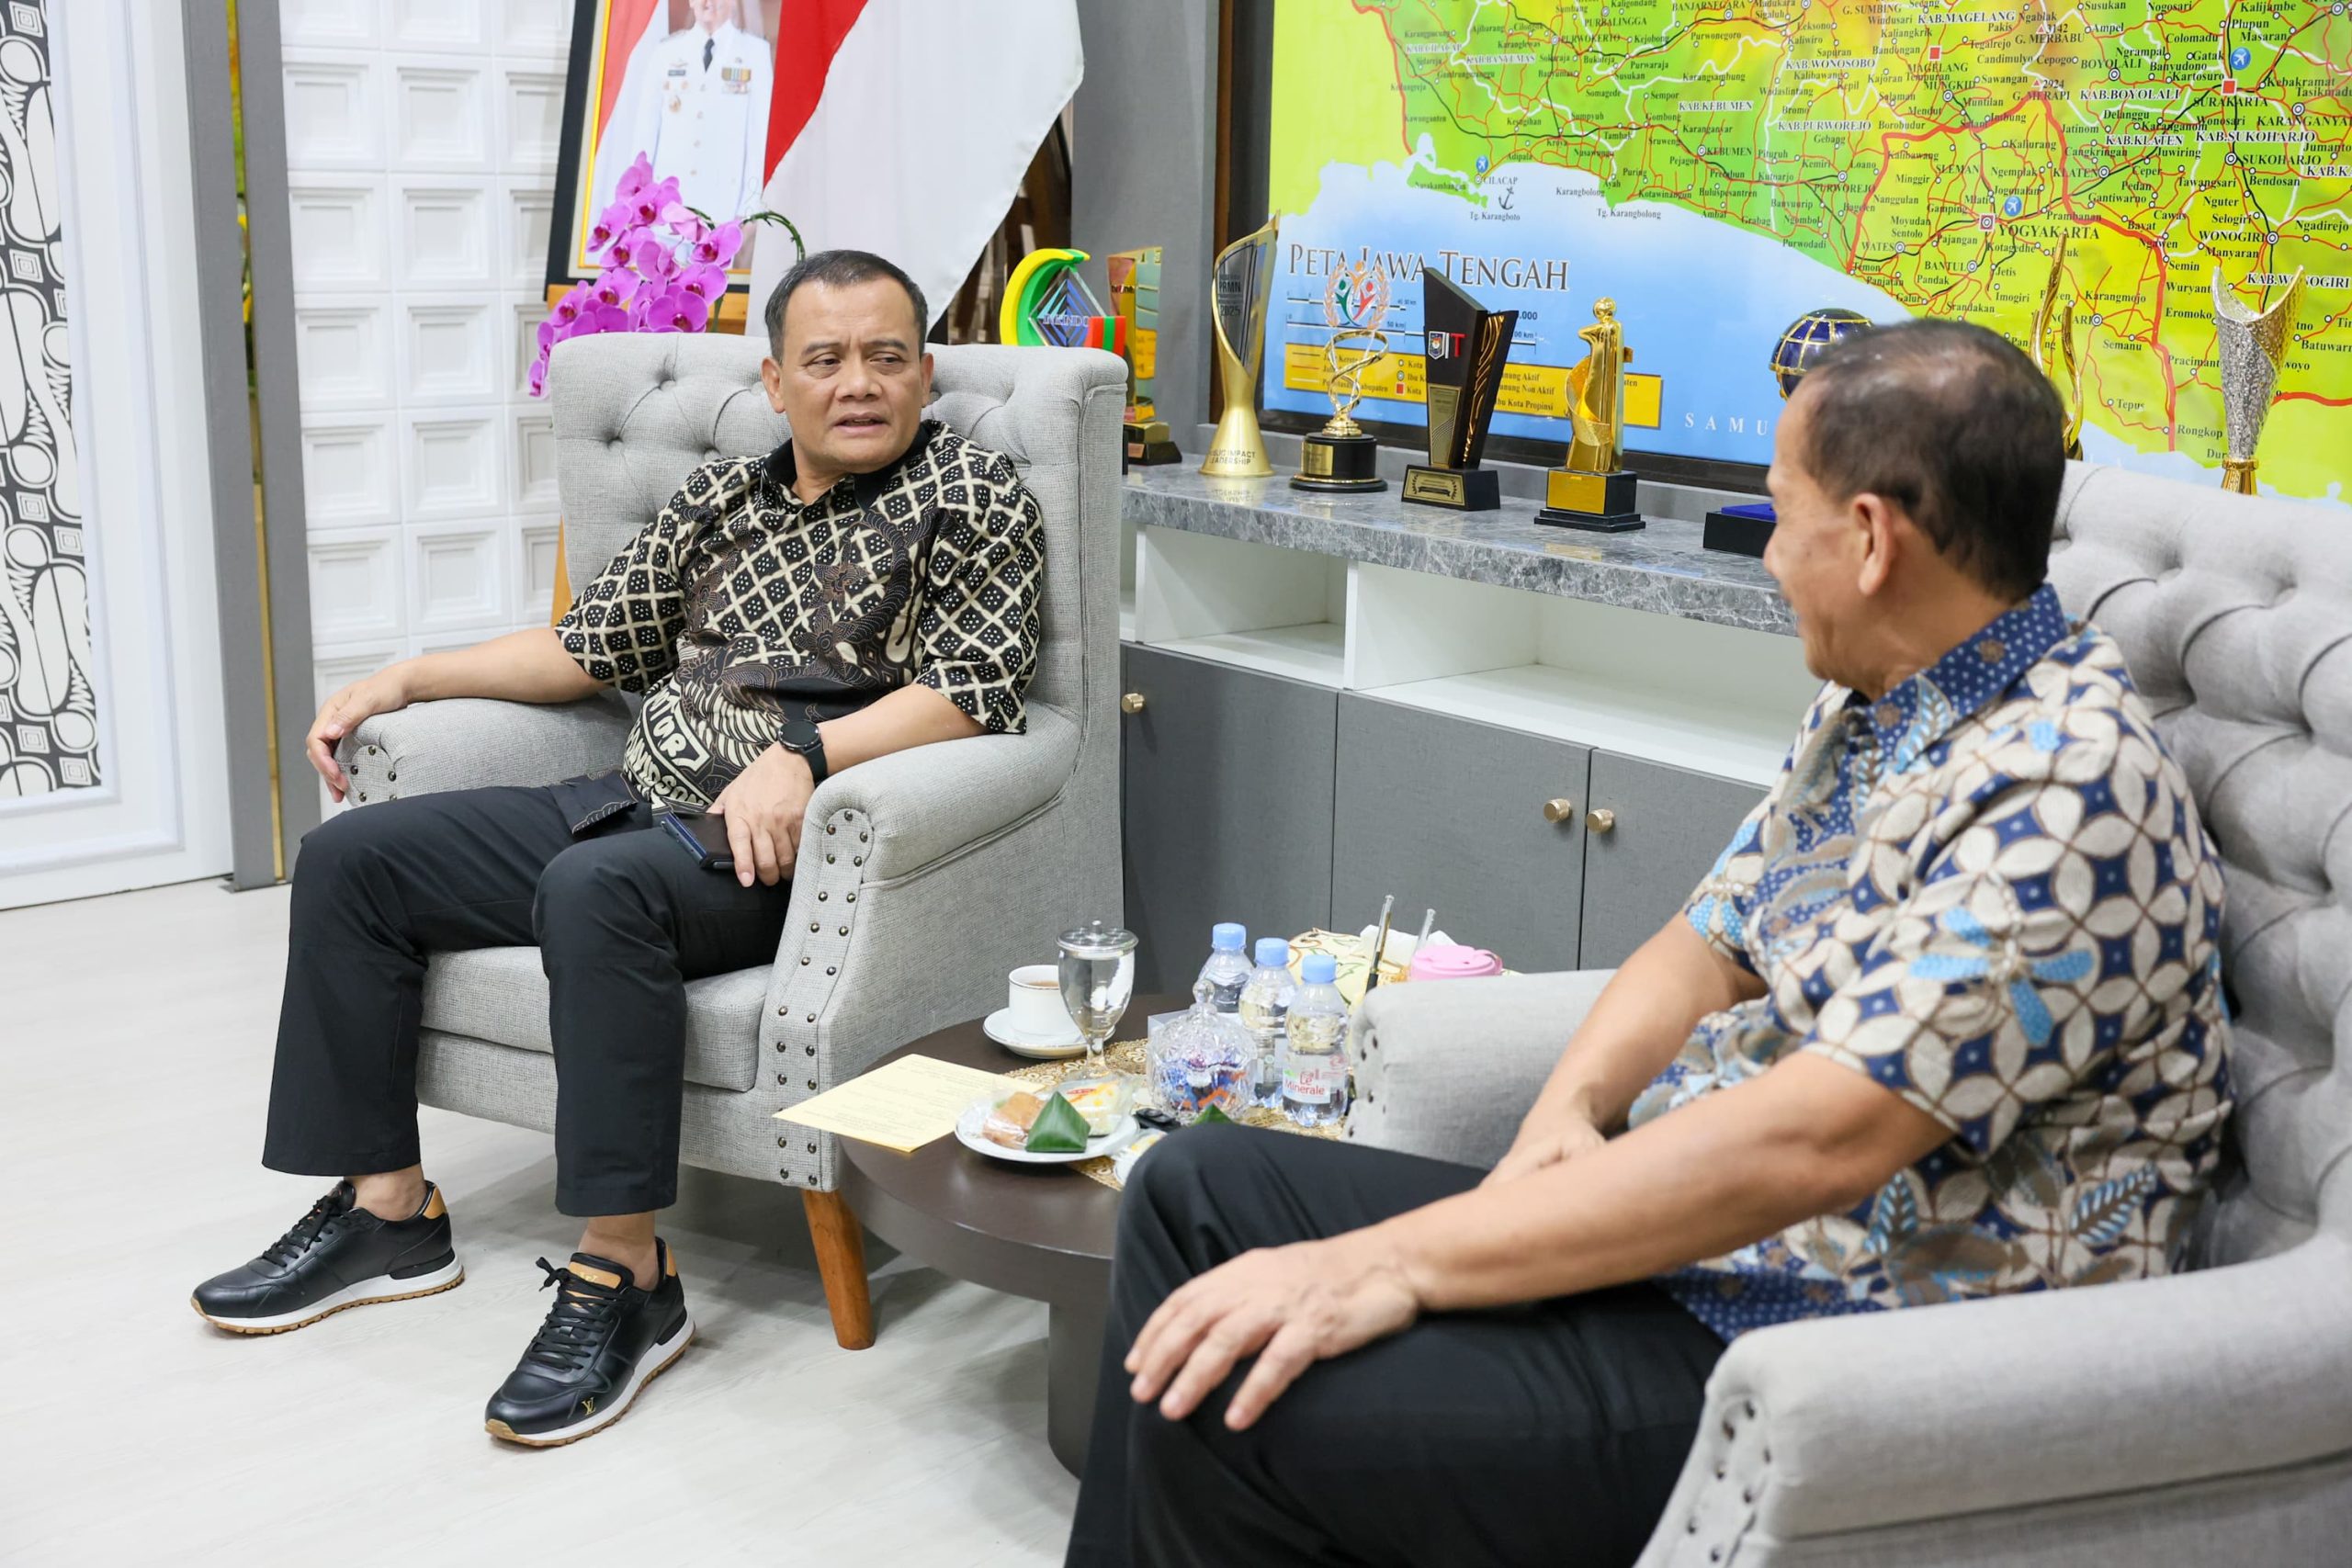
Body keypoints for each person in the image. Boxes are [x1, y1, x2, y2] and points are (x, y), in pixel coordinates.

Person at [1064, 320, 2233, 1566]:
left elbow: (1818, 1140)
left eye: (1782, 514)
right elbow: (1706, 941)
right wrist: (1564, 1115)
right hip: (1702, 1250)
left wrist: (1390, 1265)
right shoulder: (1883, 697)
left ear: (1871, 539)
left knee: (1246, 1404)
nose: (1772, 554)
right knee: (1192, 1191)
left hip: (1826, 1343)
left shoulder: (2068, 795)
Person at [192, 250, 1044, 1449]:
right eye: (826, 359)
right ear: (777, 381)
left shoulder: (973, 496)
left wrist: (806, 757)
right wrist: (405, 676)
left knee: (595, 890)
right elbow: (584, 648)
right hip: (628, 800)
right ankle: (389, 1213)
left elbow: (971, 691)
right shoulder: (723, 498)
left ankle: (626, 1273)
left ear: (925, 371)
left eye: (886, 356)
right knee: (354, 859)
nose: (858, 382)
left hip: (779, 852)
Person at [593, 0, 773, 229]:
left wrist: (749, 209)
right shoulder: (666, 52)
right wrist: (641, 198)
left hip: (723, 208)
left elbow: (759, 138)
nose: (708, 2)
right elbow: (645, 131)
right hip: (667, 205)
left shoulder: (755, 53)